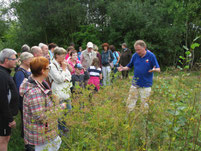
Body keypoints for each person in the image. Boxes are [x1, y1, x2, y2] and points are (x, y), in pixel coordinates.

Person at [19, 57, 65, 151]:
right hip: (41, 136)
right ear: (42, 71)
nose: (49, 70)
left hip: (46, 132)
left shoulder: (40, 83)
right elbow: (40, 117)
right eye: (48, 68)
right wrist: (60, 107)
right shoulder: (34, 92)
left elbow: (44, 100)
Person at [118, 40, 160, 112]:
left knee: (144, 103)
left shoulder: (151, 56)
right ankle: (129, 116)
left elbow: (158, 69)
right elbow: (129, 66)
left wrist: (154, 70)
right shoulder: (135, 56)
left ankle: (143, 119)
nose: (137, 51)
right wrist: (123, 68)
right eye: (136, 50)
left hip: (146, 84)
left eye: (139, 50)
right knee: (130, 101)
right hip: (135, 83)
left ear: (144, 47)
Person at [0, 48, 19, 151]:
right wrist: (9, 119)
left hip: (5, 115)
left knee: (5, 138)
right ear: (6, 60)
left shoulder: (5, 73)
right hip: (3, 116)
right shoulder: (2, 75)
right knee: (3, 139)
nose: (16, 61)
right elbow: (2, 99)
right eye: (14, 59)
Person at [13, 52, 33, 138]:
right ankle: (26, 139)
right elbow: (20, 89)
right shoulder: (20, 73)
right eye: (30, 60)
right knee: (25, 120)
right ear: (24, 61)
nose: (32, 61)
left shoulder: (27, 70)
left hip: (29, 99)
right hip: (24, 101)